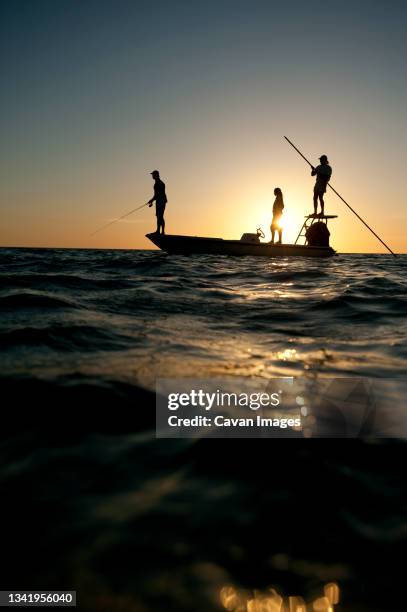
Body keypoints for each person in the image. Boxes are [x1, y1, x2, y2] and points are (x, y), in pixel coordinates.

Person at [148, 170, 167, 234]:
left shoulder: (160, 183)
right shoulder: (156, 183)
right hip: (159, 201)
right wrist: (152, 200)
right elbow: (156, 195)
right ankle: (159, 231)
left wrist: (152, 200)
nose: (152, 176)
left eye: (153, 174)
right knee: (159, 216)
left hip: (161, 201)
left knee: (160, 216)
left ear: (156, 175)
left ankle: (161, 231)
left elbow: (158, 195)